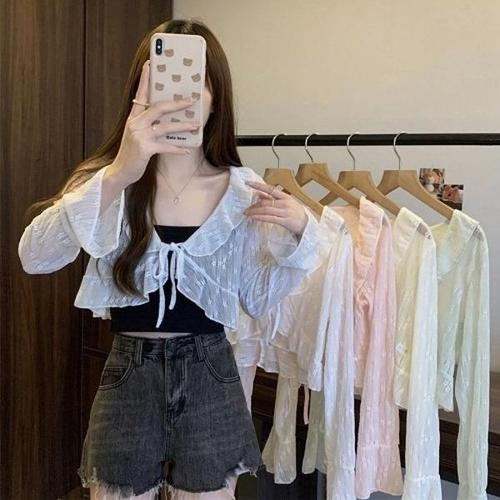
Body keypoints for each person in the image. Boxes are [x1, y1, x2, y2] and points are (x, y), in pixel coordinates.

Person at [18, 19, 319, 500]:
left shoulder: (242, 190)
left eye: (197, 82)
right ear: (139, 95)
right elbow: (34, 256)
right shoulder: (108, 181)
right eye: (165, 82)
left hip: (211, 373)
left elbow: (257, 299)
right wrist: (120, 172)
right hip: (129, 372)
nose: (181, 97)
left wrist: (302, 233)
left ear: (216, 98)